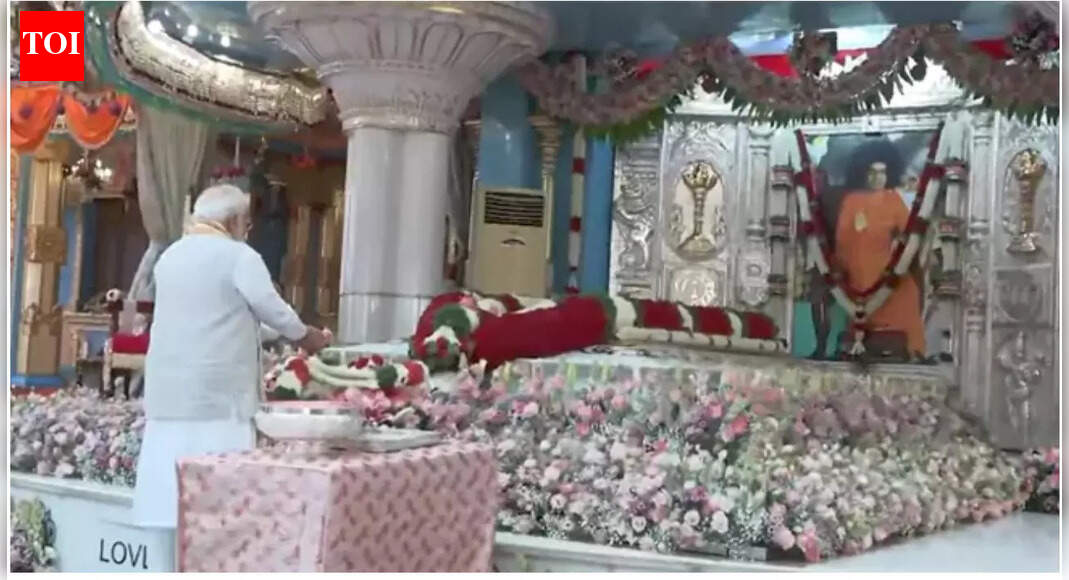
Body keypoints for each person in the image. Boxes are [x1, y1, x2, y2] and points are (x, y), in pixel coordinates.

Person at [131, 184, 330, 529]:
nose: (247, 230)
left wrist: (283, 333)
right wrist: (307, 336)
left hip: (170, 394)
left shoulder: (171, 256)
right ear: (235, 220)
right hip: (217, 399)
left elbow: (223, 316)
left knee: (171, 503)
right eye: (247, 223)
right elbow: (272, 310)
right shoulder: (238, 256)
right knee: (217, 509)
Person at [833, 141, 925, 357]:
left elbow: (909, 234)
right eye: (872, 172)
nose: (877, 178)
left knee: (905, 311)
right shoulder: (851, 201)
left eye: (882, 172)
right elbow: (841, 241)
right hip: (858, 277)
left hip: (888, 276)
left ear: (890, 173)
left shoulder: (893, 199)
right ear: (863, 173)